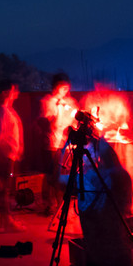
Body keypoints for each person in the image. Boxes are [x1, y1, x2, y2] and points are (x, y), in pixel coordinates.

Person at [62, 135, 133, 266]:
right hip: (112, 258)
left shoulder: (96, 179)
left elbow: (58, 179)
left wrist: (65, 147)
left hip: (101, 258)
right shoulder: (120, 176)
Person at [41, 72, 77, 214]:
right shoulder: (48, 102)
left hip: (65, 145)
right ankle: (50, 204)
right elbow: (49, 124)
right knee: (52, 174)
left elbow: (74, 119)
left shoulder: (69, 102)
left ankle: (60, 203)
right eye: (63, 88)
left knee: (62, 174)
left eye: (67, 88)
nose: (66, 92)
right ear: (56, 88)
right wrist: (58, 109)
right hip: (53, 145)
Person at [0, 81, 26, 232]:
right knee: (5, 188)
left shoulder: (9, 110)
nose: (17, 92)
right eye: (14, 90)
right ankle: (7, 221)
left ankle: (5, 219)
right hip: (7, 156)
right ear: (5, 92)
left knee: (7, 188)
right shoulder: (2, 111)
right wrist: (10, 151)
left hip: (11, 156)